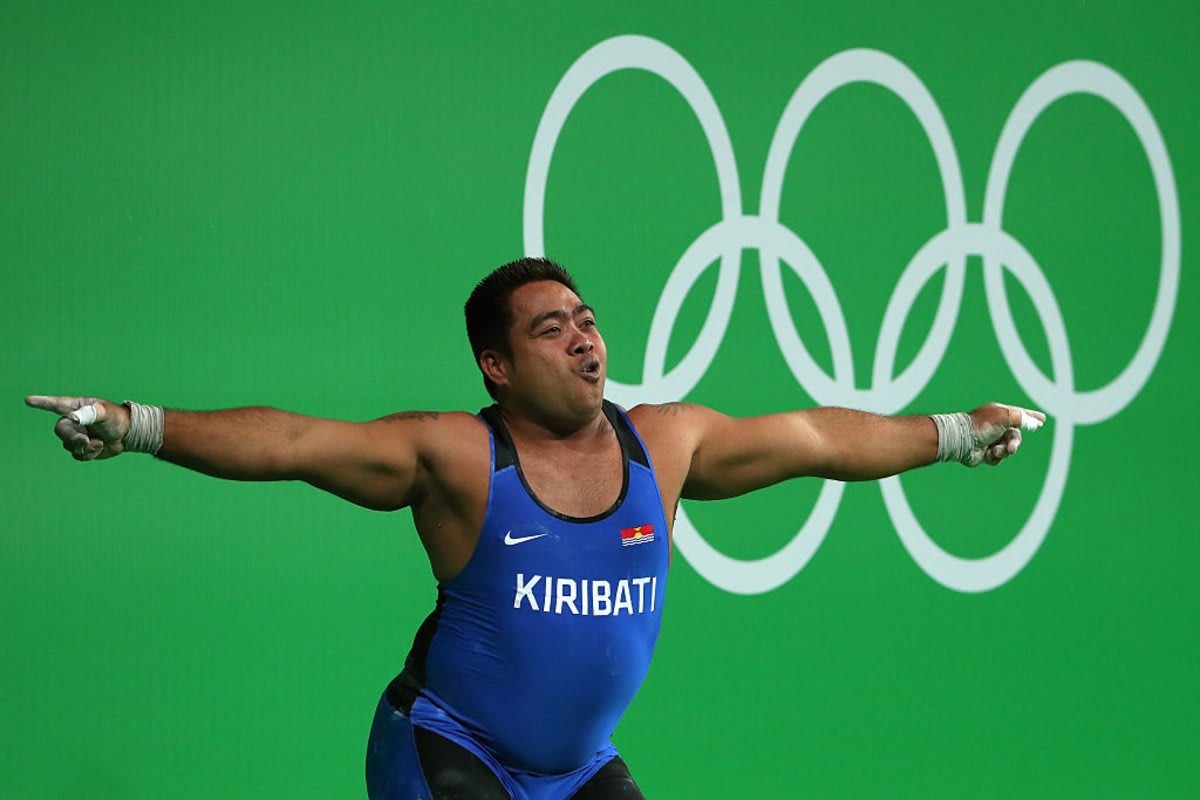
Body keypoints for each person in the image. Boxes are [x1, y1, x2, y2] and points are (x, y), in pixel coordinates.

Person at [27, 257, 1043, 799]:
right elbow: (292, 440)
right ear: (497, 367)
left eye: (587, 316)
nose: (582, 334)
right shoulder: (456, 457)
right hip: (445, 750)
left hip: (579, 767)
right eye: (549, 326)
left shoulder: (670, 445)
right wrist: (136, 425)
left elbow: (822, 435)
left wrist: (955, 431)